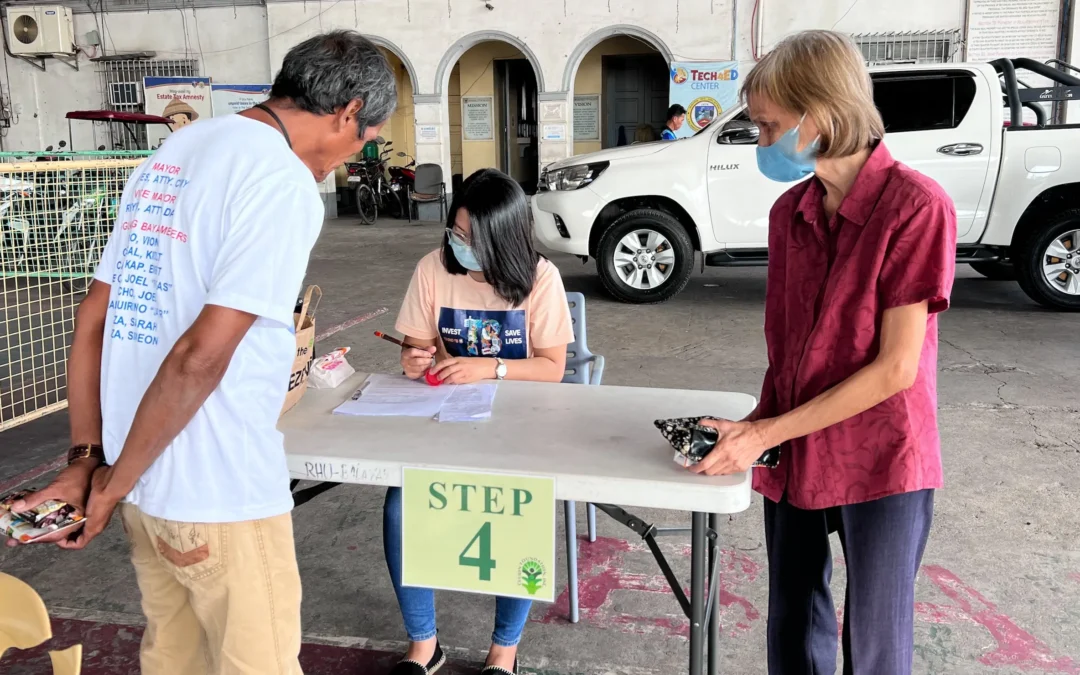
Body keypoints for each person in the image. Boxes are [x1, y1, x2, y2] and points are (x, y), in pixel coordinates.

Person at [3, 31, 396, 675]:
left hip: (147, 497)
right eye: (363, 139)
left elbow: (95, 318)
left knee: (174, 659)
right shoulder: (281, 181)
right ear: (348, 111)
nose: (350, 158)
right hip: (219, 491)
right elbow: (198, 357)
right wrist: (110, 484)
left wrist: (89, 463)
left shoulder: (177, 150)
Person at [688, 30, 957, 675]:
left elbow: (896, 368)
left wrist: (765, 433)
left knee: (875, 643)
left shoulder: (915, 209)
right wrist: (751, 428)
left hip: (883, 457)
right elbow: (789, 352)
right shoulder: (792, 213)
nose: (761, 143)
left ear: (823, 115)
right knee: (793, 628)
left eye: (769, 126)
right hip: (796, 447)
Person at [386, 168, 574, 675]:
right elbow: (415, 344)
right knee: (401, 504)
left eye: (472, 238)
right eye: (456, 232)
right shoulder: (433, 268)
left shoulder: (539, 278)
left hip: (521, 425)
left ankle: (504, 650)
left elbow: (552, 368)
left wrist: (489, 367)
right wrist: (413, 357)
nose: (459, 245)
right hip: (447, 419)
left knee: (522, 505)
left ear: (504, 237)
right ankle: (424, 645)